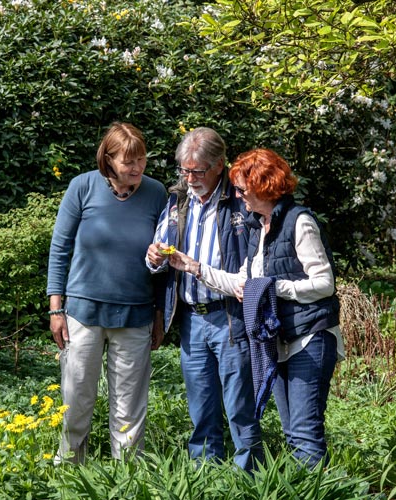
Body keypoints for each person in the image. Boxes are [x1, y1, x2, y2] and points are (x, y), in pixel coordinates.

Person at [165, 148, 345, 469]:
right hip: (280, 341)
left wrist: (274, 287)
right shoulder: (256, 227)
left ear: (264, 187)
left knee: (305, 434)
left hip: (310, 338)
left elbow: (324, 284)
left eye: (242, 190)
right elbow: (241, 283)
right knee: (293, 435)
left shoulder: (298, 222)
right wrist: (193, 267)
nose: (237, 196)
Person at [47, 122, 167, 463]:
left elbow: (163, 257)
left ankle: (126, 475)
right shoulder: (82, 186)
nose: (137, 167)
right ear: (108, 159)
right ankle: (69, 468)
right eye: (129, 161)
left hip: (136, 314)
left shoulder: (157, 193)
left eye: (142, 159)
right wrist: (56, 308)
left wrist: (159, 313)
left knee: (130, 405)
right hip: (82, 313)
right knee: (76, 399)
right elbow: (60, 248)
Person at [145, 127, 262, 471]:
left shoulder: (240, 200)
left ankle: (250, 478)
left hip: (231, 315)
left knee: (241, 405)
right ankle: (206, 476)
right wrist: (153, 258)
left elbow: (254, 263)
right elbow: (158, 252)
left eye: (197, 170)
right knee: (201, 406)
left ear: (219, 165)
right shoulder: (177, 199)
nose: (190, 177)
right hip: (191, 318)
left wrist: (198, 268)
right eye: (184, 170)